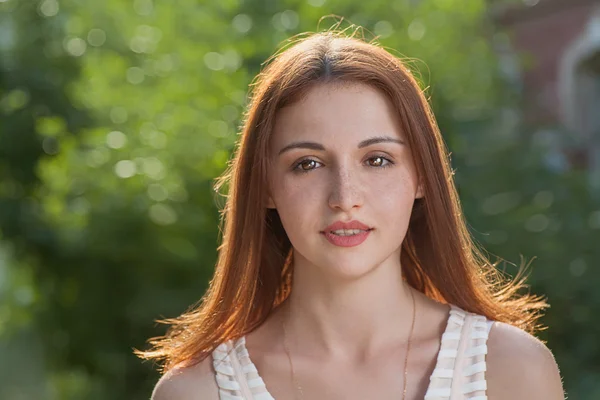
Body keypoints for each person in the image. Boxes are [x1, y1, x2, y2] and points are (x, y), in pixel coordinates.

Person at [138, 30, 565, 399]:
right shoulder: (199, 392)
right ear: (266, 186)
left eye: (377, 160)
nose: (345, 197)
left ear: (421, 177)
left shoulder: (509, 371)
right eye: (307, 163)